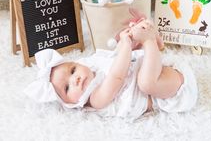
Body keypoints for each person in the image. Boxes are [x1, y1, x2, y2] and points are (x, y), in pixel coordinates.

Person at [25, 19, 198, 120]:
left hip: (162, 75)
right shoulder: (95, 99)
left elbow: (117, 60)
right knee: (145, 83)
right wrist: (126, 45)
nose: (75, 79)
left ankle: (150, 40)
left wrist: (128, 37)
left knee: (144, 76)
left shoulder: (93, 66)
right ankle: (150, 41)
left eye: (72, 71)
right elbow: (117, 76)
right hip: (166, 92)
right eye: (67, 88)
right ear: (69, 103)